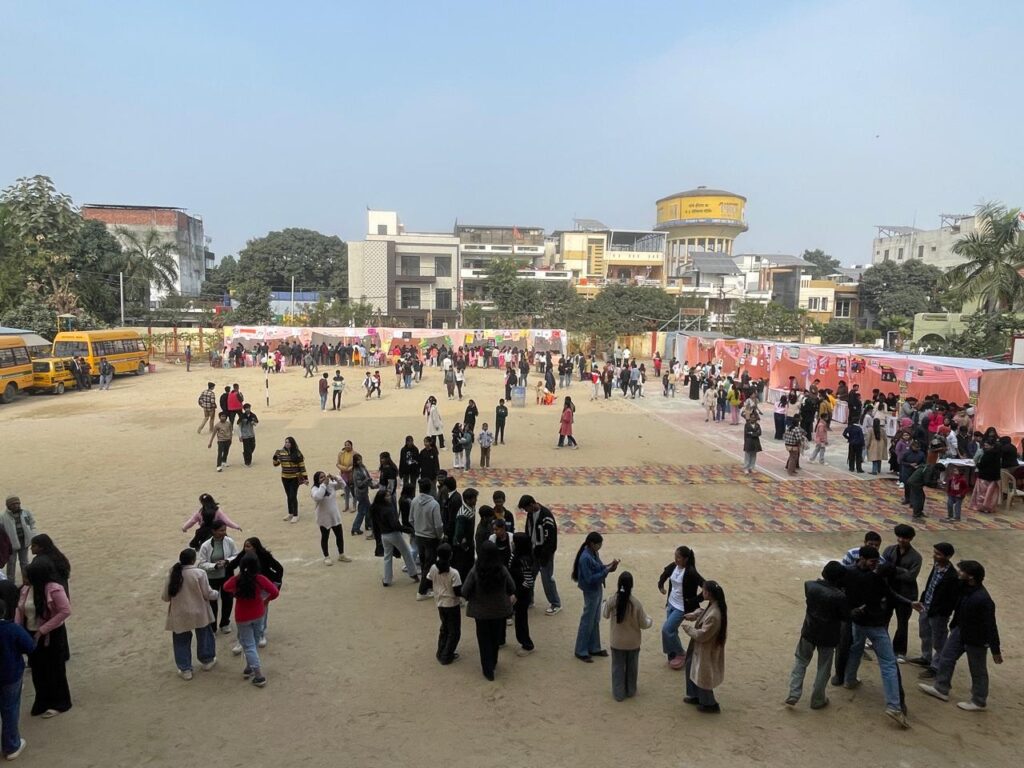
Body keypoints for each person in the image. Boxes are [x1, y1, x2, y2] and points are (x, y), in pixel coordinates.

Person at [918, 560, 1003, 711]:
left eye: (962, 571)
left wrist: (995, 650)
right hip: (960, 631)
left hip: (976, 639)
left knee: (977, 669)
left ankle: (979, 701)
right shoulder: (964, 587)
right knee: (946, 657)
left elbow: (991, 626)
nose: (959, 572)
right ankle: (941, 688)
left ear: (971, 576)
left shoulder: (983, 599)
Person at [841, 546, 910, 729]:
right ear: (862, 558)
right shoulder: (875, 578)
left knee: (856, 648)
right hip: (875, 625)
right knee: (888, 663)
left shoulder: (848, 572)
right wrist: (910, 603)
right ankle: (894, 706)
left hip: (857, 621)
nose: (875, 564)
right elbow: (891, 595)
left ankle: (849, 679)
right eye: (873, 561)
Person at [784, 561, 849, 710]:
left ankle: (793, 693)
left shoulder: (809, 585)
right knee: (823, 668)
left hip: (809, 631)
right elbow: (845, 616)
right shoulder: (840, 596)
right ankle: (818, 699)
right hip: (829, 636)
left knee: (801, 661)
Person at [15, 557, 72, 717]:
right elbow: (20, 609)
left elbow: (65, 611)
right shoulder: (26, 589)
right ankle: (42, 701)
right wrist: (18, 629)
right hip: (31, 634)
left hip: (51, 635)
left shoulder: (54, 589)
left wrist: (43, 629)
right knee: (38, 669)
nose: (24, 580)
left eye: (27, 576)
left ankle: (60, 702)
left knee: (54, 669)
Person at [222, 554, 280, 687]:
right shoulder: (260, 579)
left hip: (242, 616)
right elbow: (275, 592)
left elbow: (225, 587)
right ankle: (249, 668)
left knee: (248, 645)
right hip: (258, 614)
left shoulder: (237, 580)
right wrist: (265, 600)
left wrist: (235, 592)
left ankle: (258, 675)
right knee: (253, 642)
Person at [461, 541, 515, 681]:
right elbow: (512, 587)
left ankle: (487, 669)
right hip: (499, 611)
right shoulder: (502, 569)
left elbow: (465, 590)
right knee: (495, 638)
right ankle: (494, 661)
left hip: (481, 612)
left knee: (484, 640)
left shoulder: (475, 570)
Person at [162, 548, 219, 681]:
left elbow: (165, 597)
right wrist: (216, 594)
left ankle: (185, 669)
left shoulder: (172, 573)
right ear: (193, 560)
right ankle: (207, 661)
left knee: (181, 640)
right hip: (199, 612)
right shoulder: (199, 573)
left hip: (180, 613)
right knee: (205, 635)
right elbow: (208, 593)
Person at [908, 542, 958, 679]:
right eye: (935, 552)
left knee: (939, 641)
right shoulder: (936, 566)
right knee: (924, 634)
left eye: (938, 554)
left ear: (948, 557)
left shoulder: (952, 576)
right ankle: (926, 657)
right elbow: (930, 585)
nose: (934, 556)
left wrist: (941, 612)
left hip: (938, 613)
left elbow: (951, 599)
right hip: (926, 607)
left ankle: (936, 667)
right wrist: (922, 600)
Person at [603, 571, 653, 701]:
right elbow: (644, 624)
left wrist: (604, 603)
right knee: (632, 668)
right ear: (631, 585)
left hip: (617, 642)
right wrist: (650, 620)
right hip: (633, 643)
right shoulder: (636, 603)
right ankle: (631, 690)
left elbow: (605, 614)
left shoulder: (612, 600)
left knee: (617, 668)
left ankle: (618, 693)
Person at [571, 532, 619, 662]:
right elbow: (589, 579)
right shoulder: (585, 558)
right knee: (588, 620)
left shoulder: (593, 553)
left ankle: (593, 647)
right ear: (592, 544)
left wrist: (609, 566)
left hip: (596, 589)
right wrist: (606, 570)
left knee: (595, 619)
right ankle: (581, 650)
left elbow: (599, 567)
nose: (600, 546)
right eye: (599, 544)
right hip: (591, 590)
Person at [682, 580, 728, 713]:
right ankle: (695, 695)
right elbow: (705, 613)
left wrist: (688, 629)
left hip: (706, 649)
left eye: (704, 590)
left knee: (703, 676)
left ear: (709, 593)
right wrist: (695, 614)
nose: (702, 592)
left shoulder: (714, 615)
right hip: (701, 647)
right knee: (691, 666)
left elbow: (702, 635)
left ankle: (710, 703)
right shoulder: (714, 606)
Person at [657, 545, 704, 670]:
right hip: (671, 604)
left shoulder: (691, 572)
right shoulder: (674, 566)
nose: (676, 559)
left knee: (667, 630)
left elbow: (705, 586)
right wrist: (660, 585)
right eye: (675, 556)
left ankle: (681, 653)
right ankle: (673, 655)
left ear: (686, 559)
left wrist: (694, 600)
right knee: (672, 630)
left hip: (681, 608)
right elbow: (664, 574)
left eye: (678, 557)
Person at [0, 594, 34, 759]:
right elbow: (29, 646)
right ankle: (11, 745)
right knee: (10, 709)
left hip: (9, 674)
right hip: (10, 674)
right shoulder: (12, 629)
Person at [882, 524, 922, 662]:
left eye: (904, 538)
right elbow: (883, 569)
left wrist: (892, 570)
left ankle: (899, 650)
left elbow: (910, 577)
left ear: (910, 539)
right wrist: (901, 570)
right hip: (888, 591)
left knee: (902, 623)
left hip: (906, 594)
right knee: (883, 619)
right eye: (899, 537)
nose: (901, 540)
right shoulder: (889, 550)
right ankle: (881, 644)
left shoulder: (916, 557)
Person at [519, 495, 560, 615]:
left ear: (531, 505)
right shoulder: (530, 514)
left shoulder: (546, 516)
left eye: (526, 508)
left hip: (544, 553)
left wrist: (545, 556)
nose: (526, 511)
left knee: (547, 578)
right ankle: (529, 600)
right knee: (529, 575)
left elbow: (551, 539)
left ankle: (556, 603)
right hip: (533, 551)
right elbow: (528, 530)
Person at [197, 521, 239, 634]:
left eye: (224, 530)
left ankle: (225, 623)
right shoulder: (205, 545)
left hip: (227, 575)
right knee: (212, 602)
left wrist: (227, 561)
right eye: (221, 530)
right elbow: (201, 563)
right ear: (213, 531)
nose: (224, 532)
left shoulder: (229, 541)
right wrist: (214, 566)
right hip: (211, 578)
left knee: (228, 600)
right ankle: (212, 627)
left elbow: (235, 555)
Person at [376, 489, 419, 587]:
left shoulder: (377, 508)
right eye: (387, 496)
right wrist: (409, 530)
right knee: (406, 552)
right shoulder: (388, 509)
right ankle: (413, 574)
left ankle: (387, 579)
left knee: (387, 557)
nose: (389, 497)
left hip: (384, 535)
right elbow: (395, 525)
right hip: (393, 534)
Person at [429, 543, 462, 665]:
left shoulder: (433, 568)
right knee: (454, 631)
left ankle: (441, 651)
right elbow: (458, 591)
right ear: (451, 555)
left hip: (440, 603)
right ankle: (446, 656)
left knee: (445, 628)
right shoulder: (454, 573)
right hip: (452, 604)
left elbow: (428, 580)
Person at [412, 478, 444, 601]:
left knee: (424, 562)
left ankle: (429, 586)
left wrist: (418, 529)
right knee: (429, 564)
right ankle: (422, 591)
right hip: (431, 538)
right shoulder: (434, 504)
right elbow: (438, 525)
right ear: (430, 489)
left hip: (419, 536)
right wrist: (439, 536)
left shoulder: (414, 501)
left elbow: (411, 519)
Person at [311, 472, 352, 565]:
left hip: (334, 516)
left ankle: (341, 554)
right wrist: (323, 485)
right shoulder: (315, 489)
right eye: (321, 477)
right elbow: (318, 497)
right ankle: (326, 557)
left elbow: (343, 485)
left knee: (339, 536)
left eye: (324, 476)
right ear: (317, 480)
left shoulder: (331, 485)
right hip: (323, 518)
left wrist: (336, 477)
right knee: (325, 537)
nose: (323, 478)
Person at [508, 532, 536, 657]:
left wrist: (517, 594)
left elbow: (528, 581)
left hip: (522, 595)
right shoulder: (515, 554)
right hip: (514, 591)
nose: (512, 543)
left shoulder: (524, 559)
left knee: (521, 620)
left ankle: (527, 645)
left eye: (514, 541)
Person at [273, 436, 308, 523]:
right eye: (286, 442)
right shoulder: (280, 452)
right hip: (285, 477)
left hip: (294, 478)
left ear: (292, 443)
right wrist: (275, 458)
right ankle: (290, 513)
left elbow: (302, 466)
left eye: (288, 442)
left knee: (293, 495)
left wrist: (305, 478)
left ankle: (295, 515)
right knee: (288, 496)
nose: (287, 444)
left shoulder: (297, 453)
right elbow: (276, 464)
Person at [1, 497, 37, 582]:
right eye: (13, 504)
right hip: (11, 544)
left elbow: (32, 523)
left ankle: (26, 580)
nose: (16, 505)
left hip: (24, 541)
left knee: (24, 562)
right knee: (11, 563)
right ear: (8, 505)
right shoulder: (2, 516)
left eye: (18, 503)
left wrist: (32, 534)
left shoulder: (26, 512)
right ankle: (11, 583)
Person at [350, 453, 375, 536]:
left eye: (360, 459)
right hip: (360, 493)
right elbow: (359, 484)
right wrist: (367, 481)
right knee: (362, 511)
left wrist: (371, 484)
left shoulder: (363, 467)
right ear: (355, 462)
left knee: (368, 509)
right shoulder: (356, 471)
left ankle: (368, 524)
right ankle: (355, 528)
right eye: (358, 460)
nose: (360, 461)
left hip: (364, 492)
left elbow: (367, 476)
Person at [336, 440, 355, 512]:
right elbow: (337, 464)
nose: (347, 446)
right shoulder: (341, 454)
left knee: (353, 492)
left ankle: (354, 506)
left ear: (351, 446)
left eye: (348, 445)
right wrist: (345, 469)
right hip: (344, 474)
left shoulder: (355, 454)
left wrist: (348, 469)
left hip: (352, 475)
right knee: (346, 491)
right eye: (345, 445)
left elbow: (355, 464)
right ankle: (346, 506)